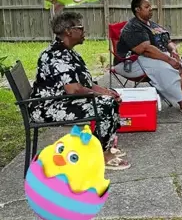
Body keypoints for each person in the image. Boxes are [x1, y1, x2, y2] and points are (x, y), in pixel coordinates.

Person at [31, 11, 130, 170]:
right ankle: (100, 155)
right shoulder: (56, 55)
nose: (85, 31)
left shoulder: (69, 52)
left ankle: (105, 147)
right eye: (81, 28)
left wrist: (107, 92)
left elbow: (87, 84)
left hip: (62, 101)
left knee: (109, 99)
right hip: (48, 107)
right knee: (104, 104)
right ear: (68, 32)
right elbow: (74, 89)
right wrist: (102, 96)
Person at [114, 0, 182, 114]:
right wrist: (169, 60)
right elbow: (146, 49)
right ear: (137, 10)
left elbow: (168, 41)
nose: (151, 9)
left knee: (181, 67)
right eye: (147, 7)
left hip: (153, 58)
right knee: (166, 68)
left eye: (150, 6)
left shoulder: (153, 25)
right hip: (130, 62)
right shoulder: (132, 27)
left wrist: (173, 51)